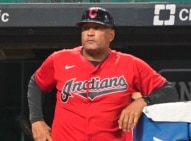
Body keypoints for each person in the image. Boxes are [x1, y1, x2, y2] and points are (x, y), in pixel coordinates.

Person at [27, 6, 179, 141]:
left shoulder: (130, 64)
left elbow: (169, 91)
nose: (90, 33)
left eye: (97, 28)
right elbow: (36, 83)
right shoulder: (59, 59)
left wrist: (142, 102)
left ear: (111, 35)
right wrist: (36, 120)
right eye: (86, 28)